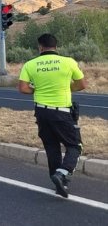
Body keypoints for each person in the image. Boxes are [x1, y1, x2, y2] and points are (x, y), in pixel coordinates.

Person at [18, 33, 87, 198]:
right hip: (62, 112)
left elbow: (23, 88)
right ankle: (62, 174)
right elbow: (82, 84)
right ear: (56, 47)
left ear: (40, 47)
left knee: (51, 147)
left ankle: (58, 183)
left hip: (41, 112)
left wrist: (38, 89)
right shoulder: (68, 62)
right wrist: (65, 88)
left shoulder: (30, 64)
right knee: (75, 146)